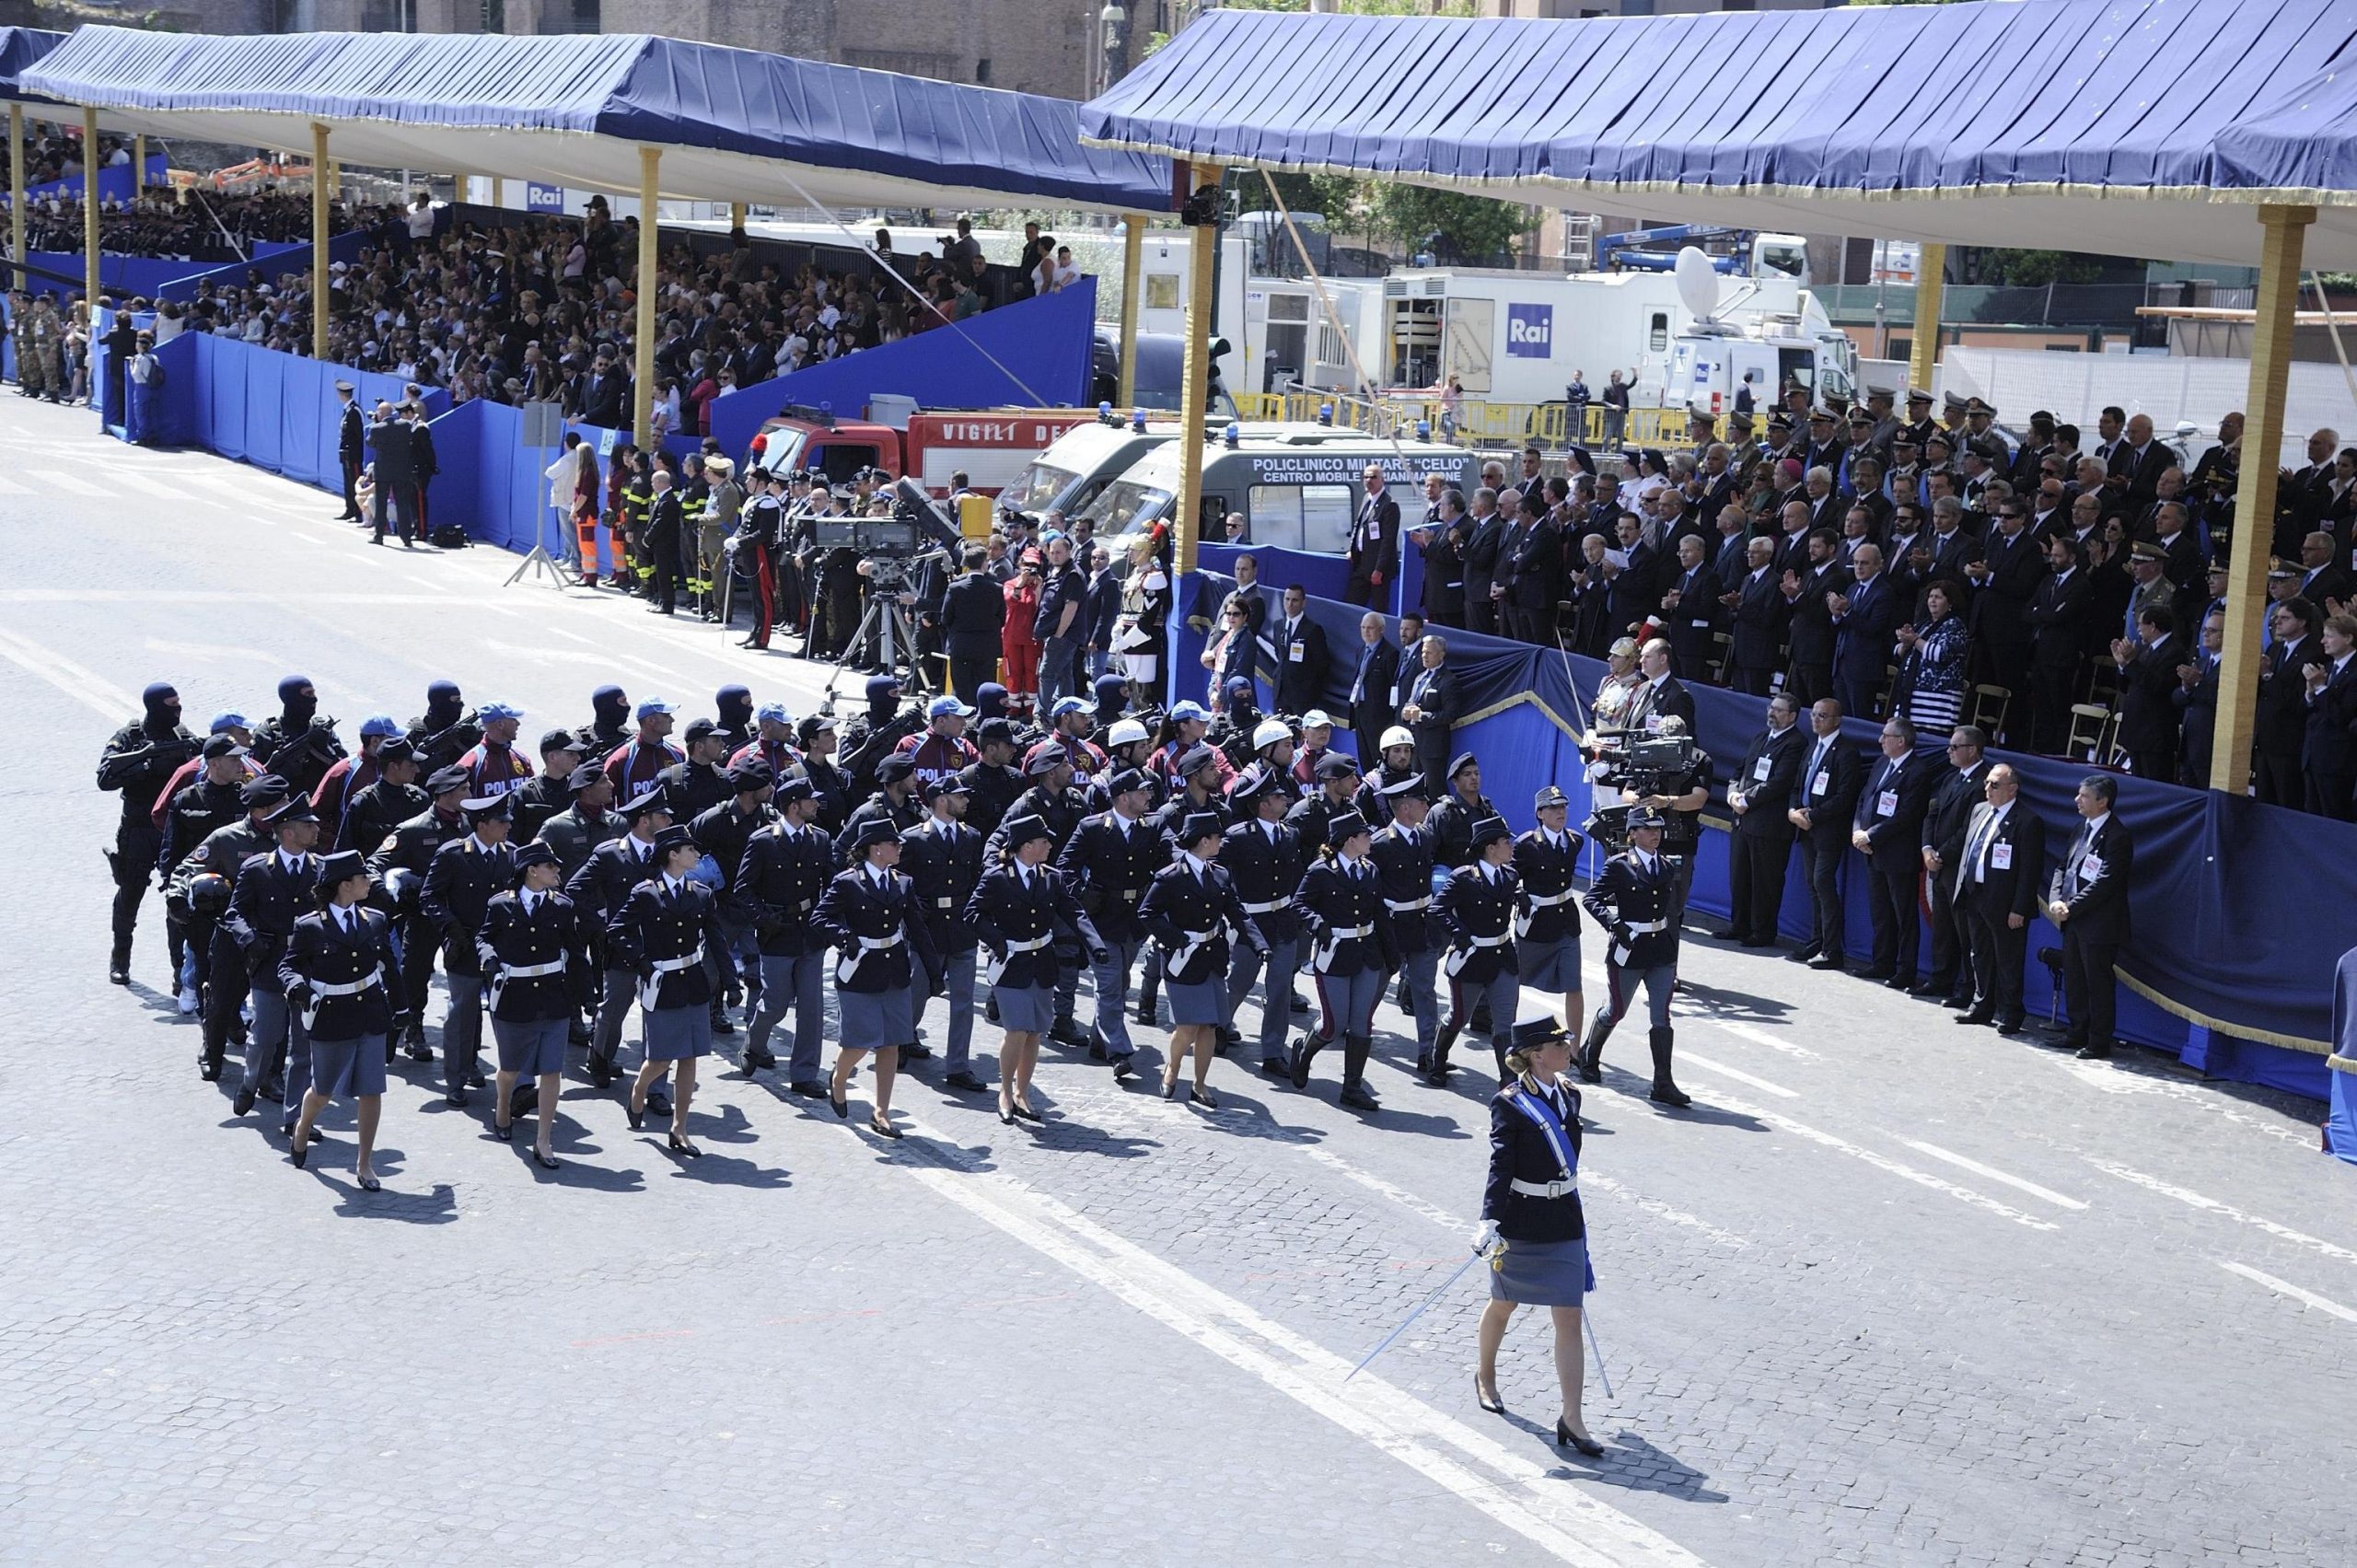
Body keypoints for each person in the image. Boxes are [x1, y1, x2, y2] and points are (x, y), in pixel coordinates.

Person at [1475, 1016, 1607, 1458]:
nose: (1568, 1048)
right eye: (1559, 1043)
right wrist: (1489, 1219)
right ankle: (1486, 1376)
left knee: (1569, 1314)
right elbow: (1501, 1164)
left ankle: (1572, 1417)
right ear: (1536, 1055)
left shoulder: (1571, 1095)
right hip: (1523, 1219)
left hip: (1564, 1219)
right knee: (1505, 1302)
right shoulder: (1509, 1104)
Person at [968, 813, 1105, 1126]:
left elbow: (1074, 911)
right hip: (1010, 965)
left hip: (1041, 963)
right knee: (1016, 1030)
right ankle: (1004, 1091)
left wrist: (1094, 944)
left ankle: (1022, 1092)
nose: (1049, 846)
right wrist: (997, 942)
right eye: (1044, 841)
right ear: (1026, 846)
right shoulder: (997, 878)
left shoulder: (1051, 878)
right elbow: (972, 914)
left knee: (1034, 1033)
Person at [815, 816, 941, 1138]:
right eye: (893, 843)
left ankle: (881, 1111)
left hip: (895, 971)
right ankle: (839, 1078)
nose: (900, 847)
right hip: (859, 970)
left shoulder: (903, 882)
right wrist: (845, 938)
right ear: (875, 849)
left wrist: (933, 970)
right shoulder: (848, 882)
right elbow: (820, 918)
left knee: (892, 1044)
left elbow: (918, 928)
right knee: (858, 1042)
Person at [280, 850, 399, 1191]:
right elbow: (288, 965)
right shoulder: (310, 926)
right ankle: (302, 1126)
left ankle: (364, 1163)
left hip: (371, 1014)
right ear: (344, 885)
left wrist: (403, 1008)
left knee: (371, 1090)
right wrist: (297, 986)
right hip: (332, 1016)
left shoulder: (374, 919)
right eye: (362, 878)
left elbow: (389, 966)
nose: (368, 883)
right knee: (323, 1090)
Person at [610, 824, 726, 1155]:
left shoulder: (701, 893)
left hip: (692, 982)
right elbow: (618, 929)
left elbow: (715, 939)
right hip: (660, 984)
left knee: (690, 1057)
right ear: (672, 854)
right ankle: (639, 1089)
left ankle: (679, 1128)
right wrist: (641, 962)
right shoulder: (645, 893)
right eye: (690, 850)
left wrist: (730, 982)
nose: (697, 855)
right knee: (660, 1059)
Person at [1139, 811, 1263, 1108]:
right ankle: (1174, 1067)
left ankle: (1200, 1084)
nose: (1222, 841)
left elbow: (1237, 913)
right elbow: (1148, 913)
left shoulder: (1219, 874)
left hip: (1211, 957)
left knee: (1209, 1025)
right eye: (1218, 837)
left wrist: (1259, 944)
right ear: (1204, 840)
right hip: (1183, 958)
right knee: (1187, 1027)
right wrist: (1176, 938)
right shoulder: (1170, 877)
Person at [476, 841, 586, 1167]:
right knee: (510, 1068)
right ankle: (503, 1106)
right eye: (551, 867)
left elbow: (576, 952)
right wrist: (489, 960)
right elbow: (483, 938)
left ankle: (544, 1139)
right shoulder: (500, 905)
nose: (557, 872)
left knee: (552, 1070)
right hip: (515, 996)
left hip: (553, 997)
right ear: (531, 870)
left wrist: (588, 995)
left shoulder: (563, 906)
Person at [732, 774, 836, 1095]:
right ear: (794, 806)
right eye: (810, 800)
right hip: (777, 934)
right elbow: (743, 889)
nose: (816, 804)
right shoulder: (763, 841)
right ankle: (754, 1044)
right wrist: (763, 919)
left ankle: (804, 1074)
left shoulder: (820, 838)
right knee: (774, 1003)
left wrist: (829, 921)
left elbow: (832, 886)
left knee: (811, 1007)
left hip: (810, 933)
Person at [1058, 768, 1164, 1079]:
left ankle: (1098, 1042)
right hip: (1102, 918)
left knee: (1119, 982)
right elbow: (1066, 866)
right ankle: (1119, 1051)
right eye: (1142, 792)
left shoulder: (1153, 825)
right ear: (1122, 798)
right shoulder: (1092, 828)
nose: (1148, 796)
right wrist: (1082, 894)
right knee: (1108, 986)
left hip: (1134, 920)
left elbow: (1170, 852)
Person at [227, 796, 324, 1129]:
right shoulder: (257, 869)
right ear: (287, 833)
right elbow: (235, 912)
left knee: (304, 1046)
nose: (316, 829)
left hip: (308, 967)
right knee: (265, 1035)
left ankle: (296, 1118)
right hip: (270, 963)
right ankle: (250, 1081)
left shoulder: (321, 870)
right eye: (307, 825)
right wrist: (248, 939)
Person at [1289, 811, 1397, 1109]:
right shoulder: (1321, 871)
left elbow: (1378, 913)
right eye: (1365, 836)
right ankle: (1304, 1050)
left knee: (1362, 1021)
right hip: (1335, 952)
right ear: (1350, 840)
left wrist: (1392, 953)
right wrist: (1319, 925)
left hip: (1367, 953)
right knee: (1333, 1024)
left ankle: (1352, 1087)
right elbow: (1299, 904)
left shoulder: (1370, 870)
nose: (1370, 840)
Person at [420, 793, 517, 1108]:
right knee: (462, 1013)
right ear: (482, 824)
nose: (507, 826)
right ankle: (457, 1078)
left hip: (502, 949)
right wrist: (450, 926)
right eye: (501, 822)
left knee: (508, 1014)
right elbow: (429, 897)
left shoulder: (512, 855)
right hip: (465, 946)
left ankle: (512, 1079)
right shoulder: (453, 854)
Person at [97, 679, 197, 986]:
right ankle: (120, 957)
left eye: (179, 704)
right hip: (139, 829)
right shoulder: (130, 737)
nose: (177, 710)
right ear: (154, 707)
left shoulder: (182, 736)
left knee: (177, 897)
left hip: (171, 830)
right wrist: (144, 766)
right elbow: (105, 777)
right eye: (171, 705)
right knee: (130, 893)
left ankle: (180, 970)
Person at [900, 775, 988, 1092]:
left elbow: (977, 877)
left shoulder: (971, 836)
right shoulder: (913, 839)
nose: (965, 801)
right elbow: (898, 879)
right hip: (929, 929)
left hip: (962, 928)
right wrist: (911, 909)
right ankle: (902, 1038)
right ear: (940, 800)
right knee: (917, 993)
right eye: (959, 796)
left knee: (963, 1003)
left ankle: (958, 1067)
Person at [1221, 767, 1308, 1077]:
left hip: (1283, 918)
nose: (1283, 799)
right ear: (1261, 804)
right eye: (1276, 796)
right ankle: (1219, 1025)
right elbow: (1218, 874)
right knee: (1241, 980)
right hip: (1251, 920)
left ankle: (1273, 1052)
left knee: (1280, 987)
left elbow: (1297, 876)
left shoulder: (1290, 834)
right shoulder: (1238, 836)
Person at [1953, 764, 2046, 1036]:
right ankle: (1981, 1006)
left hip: (2005, 904)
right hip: (1975, 894)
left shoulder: (2027, 821)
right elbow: (1970, 850)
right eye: (1987, 783)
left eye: (1994, 785)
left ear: (2012, 789)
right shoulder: (1980, 810)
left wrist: (2018, 908)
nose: (1987, 789)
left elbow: (2030, 871)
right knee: (1979, 953)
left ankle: (2011, 1012)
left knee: (2008, 959)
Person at [2046, 775, 2134, 1059]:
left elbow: (2105, 883)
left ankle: (2098, 1041)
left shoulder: (2117, 837)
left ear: (2102, 801)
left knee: (2097, 983)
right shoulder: (2080, 829)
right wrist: (2055, 898)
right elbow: (2063, 867)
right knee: (2075, 978)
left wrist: (2071, 906)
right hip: (2073, 920)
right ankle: (2076, 1031)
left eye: (2083, 796)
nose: (2077, 800)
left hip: (2099, 925)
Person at [1434, 814, 1521, 1083]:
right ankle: (1437, 1060)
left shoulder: (1510, 875)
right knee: (1459, 1016)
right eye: (1506, 842)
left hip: (1502, 956)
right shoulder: (1463, 877)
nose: (1511, 846)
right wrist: (1458, 932)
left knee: (1505, 1022)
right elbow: (1438, 909)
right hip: (1471, 957)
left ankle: (1507, 1078)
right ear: (1490, 847)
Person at [1851, 716, 1936, 987]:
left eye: (1885, 736)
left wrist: (1871, 834)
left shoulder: (1917, 771)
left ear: (1901, 741)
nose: (1880, 740)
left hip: (1898, 853)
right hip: (1872, 850)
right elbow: (1864, 798)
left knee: (1903, 915)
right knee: (1880, 911)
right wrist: (1858, 831)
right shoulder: (1881, 763)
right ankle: (1882, 962)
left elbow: (1907, 815)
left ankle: (1905, 969)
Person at [1916, 726, 1991, 1005]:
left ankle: (1969, 988)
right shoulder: (1950, 779)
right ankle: (1940, 979)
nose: (1949, 751)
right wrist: (1927, 849)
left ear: (1972, 749)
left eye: (1955, 747)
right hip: (1938, 863)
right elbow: (1931, 814)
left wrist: (1941, 854)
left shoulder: (1984, 783)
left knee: (1965, 932)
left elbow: (1969, 828)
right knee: (1943, 926)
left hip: (1960, 867)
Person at [1727, 693, 1805, 947]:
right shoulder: (1761, 736)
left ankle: (1762, 931)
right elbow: (1741, 770)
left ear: (1792, 716)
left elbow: (1780, 782)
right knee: (1740, 877)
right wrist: (1732, 794)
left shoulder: (1795, 743)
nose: (1772, 713)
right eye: (1771, 707)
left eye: (1779, 710)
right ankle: (1739, 925)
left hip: (1769, 826)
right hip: (1742, 820)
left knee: (1765, 882)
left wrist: (1746, 800)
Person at [1513, 787, 1585, 1042]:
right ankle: (1503, 1029)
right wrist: (1519, 894)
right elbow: (1509, 875)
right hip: (1536, 922)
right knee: (1513, 980)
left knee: (1574, 985)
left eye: (1563, 807)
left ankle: (1575, 1047)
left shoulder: (1575, 840)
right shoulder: (1526, 845)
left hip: (1566, 921)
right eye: (1553, 808)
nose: (1560, 812)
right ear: (1540, 813)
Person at [1399, 633, 1459, 796]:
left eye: (1429, 653)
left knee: (1434, 790)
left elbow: (1450, 715)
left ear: (1441, 655)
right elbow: (1412, 702)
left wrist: (1421, 716)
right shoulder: (1420, 677)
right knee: (1415, 789)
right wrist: (1406, 711)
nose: (1424, 656)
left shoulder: (1448, 680)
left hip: (1433, 748)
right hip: (1415, 744)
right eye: (1423, 652)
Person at [1345, 611, 1400, 761]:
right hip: (1360, 711)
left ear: (1381, 629)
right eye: (1363, 627)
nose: (1365, 631)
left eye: (1370, 628)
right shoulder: (1361, 650)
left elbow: (1394, 686)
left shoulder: (1390, 654)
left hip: (1379, 716)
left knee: (1377, 757)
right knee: (1364, 757)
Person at [1272, 585, 1331, 716]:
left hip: (1302, 697)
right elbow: (1279, 654)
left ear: (1303, 602)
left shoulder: (1313, 629)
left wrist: (1308, 688)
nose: (1290, 604)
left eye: (1295, 600)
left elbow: (1322, 664)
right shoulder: (1278, 626)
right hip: (1281, 692)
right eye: (1287, 599)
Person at [1347, 464, 1400, 607]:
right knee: (1352, 604)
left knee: (1379, 610)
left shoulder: (1390, 505)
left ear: (1382, 480)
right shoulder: (1367, 499)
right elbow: (1358, 526)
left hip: (1378, 569)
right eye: (1365, 477)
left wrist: (1379, 570)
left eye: (1373, 477)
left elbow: (1388, 541)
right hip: (1361, 564)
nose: (1368, 480)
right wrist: (1352, 549)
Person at [335, 380, 365, 522]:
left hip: (353, 455)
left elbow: (359, 435)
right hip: (346, 453)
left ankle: (358, 512)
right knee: (348, 483)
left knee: (354, 482)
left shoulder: (354, 411)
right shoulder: (347, 410)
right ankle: (350, 509)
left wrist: (354, 452)